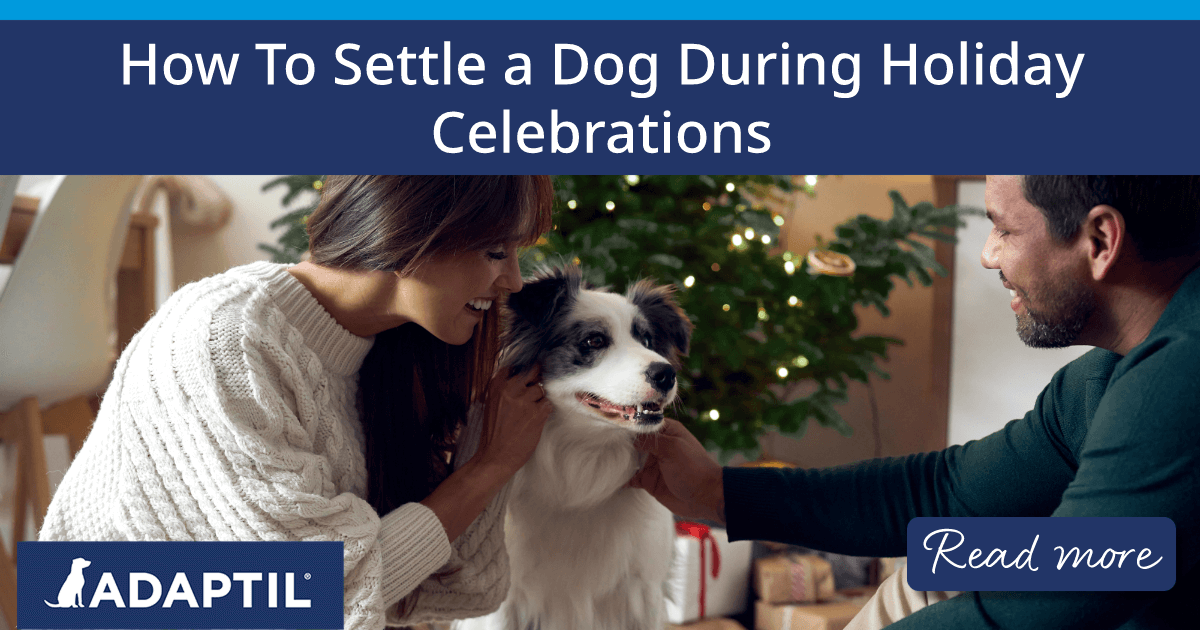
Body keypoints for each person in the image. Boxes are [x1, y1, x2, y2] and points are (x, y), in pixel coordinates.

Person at [629, 175, 1200, 629]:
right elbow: (948, 492)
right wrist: (719, 494)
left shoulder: (1178, 378)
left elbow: (1039, 608)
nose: (987, 255)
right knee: (936, 569)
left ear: (1100, 240)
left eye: (1003, 230)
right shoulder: (1104, 378)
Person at [39, 175, 556, 630]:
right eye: (495, 252)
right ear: (408, 227)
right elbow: (314, 592)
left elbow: (458, 586)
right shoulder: (224, 338)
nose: (511, 280)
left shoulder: (391, 356)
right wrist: (487, 466)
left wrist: (492, 443)